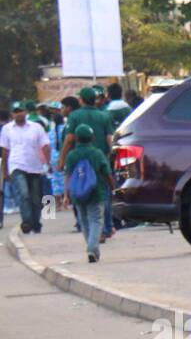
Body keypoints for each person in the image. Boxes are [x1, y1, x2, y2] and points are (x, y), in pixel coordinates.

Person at [59, 87, 115, 241]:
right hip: (100, 158)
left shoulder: (75, 116)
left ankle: (88, 228)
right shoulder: (104, 116)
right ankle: (106, 228)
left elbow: (69, 139)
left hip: (79, 160)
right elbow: (110, 139)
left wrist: (61, 159)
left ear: (81, 100)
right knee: (104, 194)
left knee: (81, 191)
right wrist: (109, 156)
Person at [62, 123, 111, 262]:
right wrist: (113, 187)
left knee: (83, 221)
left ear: (76, 138)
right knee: (96, 220)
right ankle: (92, 248)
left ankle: (92, 248)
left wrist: (66, 194)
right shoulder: (97, 153)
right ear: (92, 138)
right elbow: (107, 173)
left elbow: (68, 176)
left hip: (77, 193)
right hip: (96, 192)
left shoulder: (71, 155)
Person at [1, 101, 51, 233]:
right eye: (16, 111)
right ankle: (27, 222)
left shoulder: (36, 127)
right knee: (24, 194)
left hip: (35, 166)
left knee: (36, 197)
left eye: (21, 111)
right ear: (12, 114)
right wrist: (4, 170)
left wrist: (48, 163)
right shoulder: (7, 129)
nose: (19, 114)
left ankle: (36, 223)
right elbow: (5, 151)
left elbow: (45, 145)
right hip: (16, 165)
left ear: (26, 112)